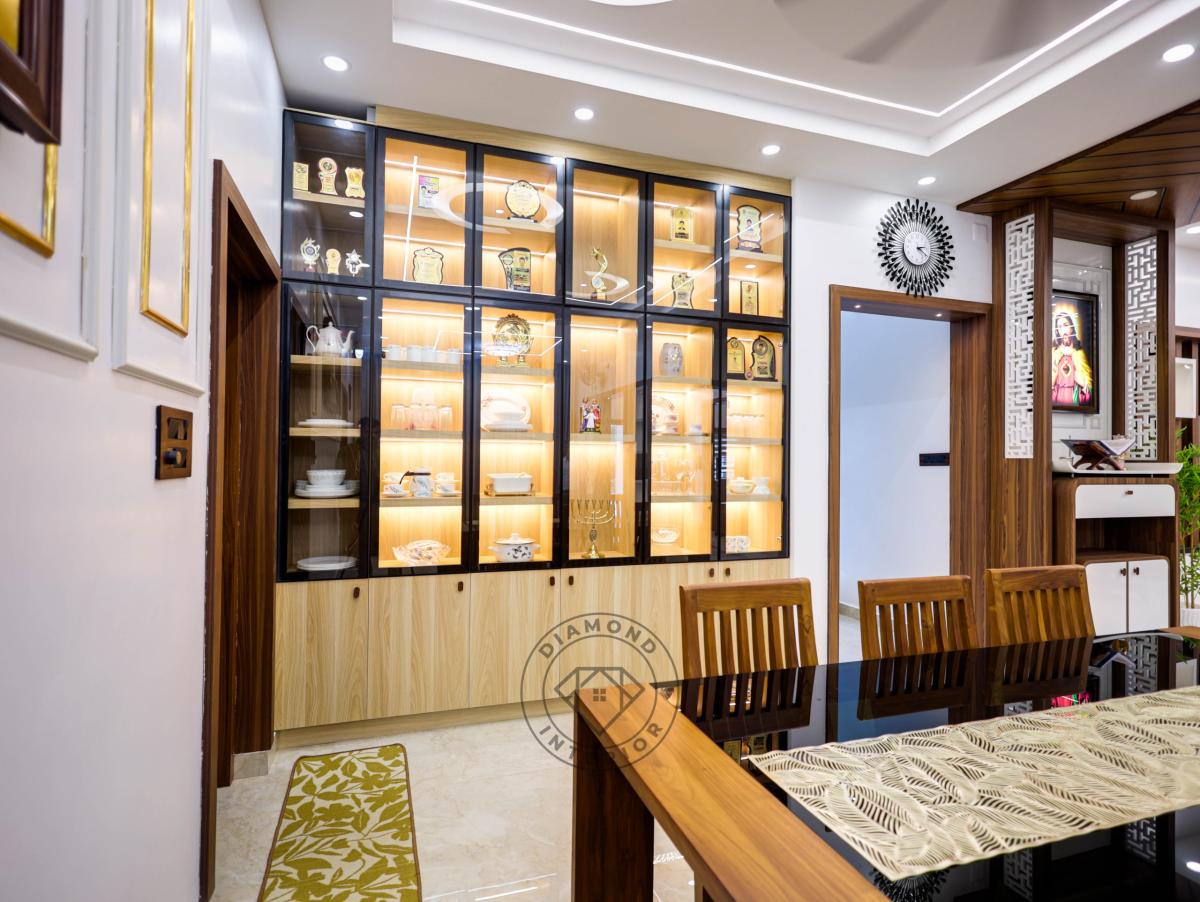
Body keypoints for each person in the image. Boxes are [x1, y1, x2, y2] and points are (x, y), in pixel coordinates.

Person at [1052, 311, 1093, 408]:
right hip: (1056, 403)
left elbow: (1091, 393)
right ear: (1057, 331)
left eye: (1065, 325)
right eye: (1059, 327)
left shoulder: (1079, 353)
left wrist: (1083, 384)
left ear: (1071, 328)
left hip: (1074, 403)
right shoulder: (1053, 353)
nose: (1063, 330)